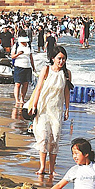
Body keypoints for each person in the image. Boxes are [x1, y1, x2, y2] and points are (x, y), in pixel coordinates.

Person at [27, 45, 71, 176]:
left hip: (57, 109)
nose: (61, 61)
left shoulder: (67, 73)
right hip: (43, 108)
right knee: (44, 137)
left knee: (55, 138)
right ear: (53, 58)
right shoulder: (46, 70)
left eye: (63, 59)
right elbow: (39, 88)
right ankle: (42, 167)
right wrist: (34, 106)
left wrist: (67, 109)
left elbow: (67, 92)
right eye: (59, 58)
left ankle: (52, 169)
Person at [12, 34, 36, 106]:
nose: (24, 43)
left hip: (27, 67)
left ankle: (22, 98)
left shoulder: (29, 45)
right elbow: (12, 56)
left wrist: (33, 67)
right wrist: (18, 54)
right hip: (18, 66)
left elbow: (31, 57)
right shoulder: (16, 45)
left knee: (25, 84)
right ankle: (17, 99)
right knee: (17, 84)